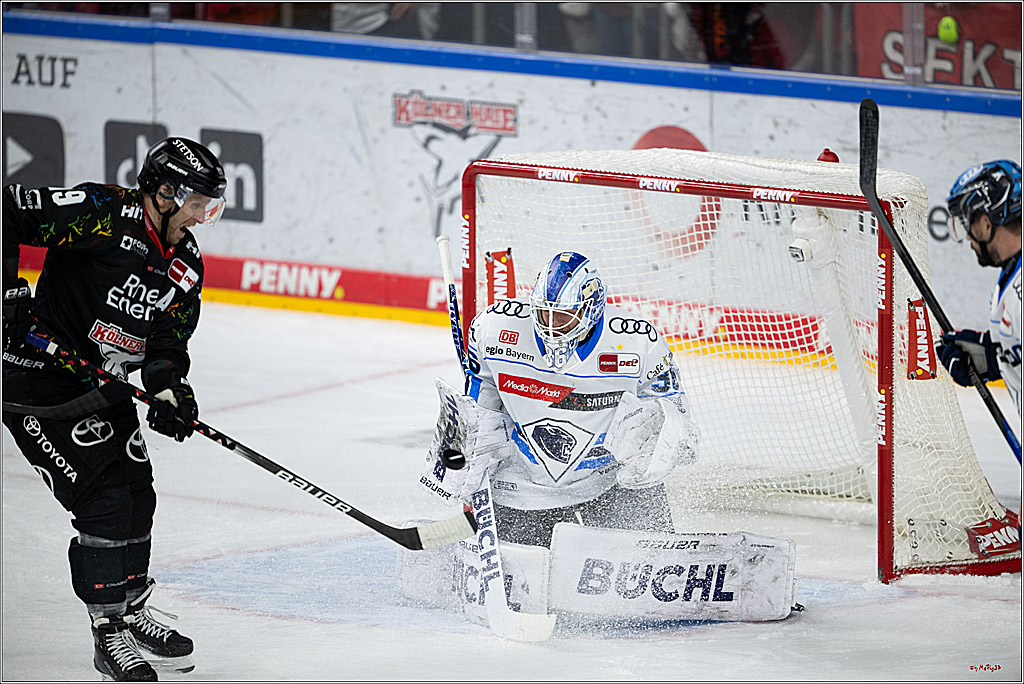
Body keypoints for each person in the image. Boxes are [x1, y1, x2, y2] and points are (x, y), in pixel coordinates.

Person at [2, 137, 227, 681]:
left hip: (103, 385)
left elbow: (168, 343)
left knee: (136, 495)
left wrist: (173, 391)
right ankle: (108, 632)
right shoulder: (101, 214)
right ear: (165, 192)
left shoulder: (186, 264)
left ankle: (129, 608)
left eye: (209, 206)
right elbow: (8, 212)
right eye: (197, 202)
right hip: (38, 382)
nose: (202, 216)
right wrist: (9, 294)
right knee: (103, 501)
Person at [422, 251, 699, 548]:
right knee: (522, 589)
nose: (552, 325)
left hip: (609, 483)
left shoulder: (638, 341)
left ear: (590, 311)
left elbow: (675, 413)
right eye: (544, 313)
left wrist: (655, 448)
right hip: (522, 488)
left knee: (650, 564)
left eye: (564, 316)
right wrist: (468, 447)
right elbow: (481, 396)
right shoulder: (493, 327)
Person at [938, 160, 1022, 419]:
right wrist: (994, 356)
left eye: (967, 224)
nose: (968, 238)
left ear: (986, 223)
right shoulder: (1011, 276)